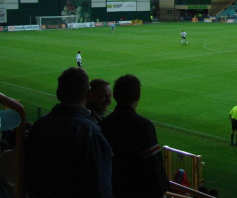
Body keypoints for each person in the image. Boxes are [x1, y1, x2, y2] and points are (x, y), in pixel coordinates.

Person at [25, 67, 113, 198]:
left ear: (58, 93)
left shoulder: (40, 124)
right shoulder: (89, 132)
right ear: (89, 95)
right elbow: (101, 186)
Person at [100, 74, 169, 198]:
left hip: (113, 190)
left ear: (115, 96)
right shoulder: (143, 126)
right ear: (138, 96)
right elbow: (155, 167)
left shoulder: (102, 125)